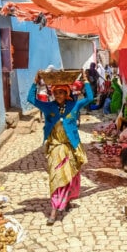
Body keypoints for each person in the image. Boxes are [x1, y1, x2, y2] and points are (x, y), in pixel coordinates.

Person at [29, 72, 95, 225]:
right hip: (55, 148)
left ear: (67, 93)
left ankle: (68, 200)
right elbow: (31, 99)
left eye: (61, 92)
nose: (58, 95)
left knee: (71, 176)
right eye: (56, 92)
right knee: (57, 177)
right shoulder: (48, 107)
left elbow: (90, 98)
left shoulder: (74, 105)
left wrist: (85, 81)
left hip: (71, 147)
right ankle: (54, 210)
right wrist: (35, 83)